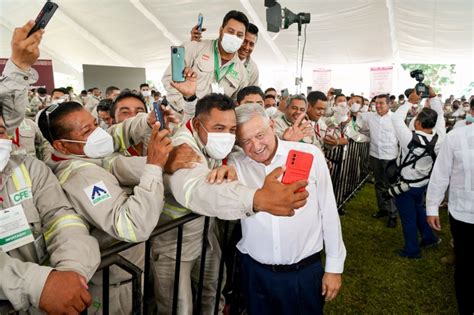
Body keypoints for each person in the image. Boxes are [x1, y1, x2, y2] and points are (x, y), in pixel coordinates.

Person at [153, 68, 310, 315]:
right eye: (218, 127)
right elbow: (195, 191)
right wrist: (256, 199)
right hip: (173, 241)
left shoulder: (215, 143)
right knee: (178, 307)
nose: (225, 136)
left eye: (230, 129)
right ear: (197, 125)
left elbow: (248, 148)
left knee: (213, 293)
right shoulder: (184, 149)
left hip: (205, 235)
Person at [0, 20, 101, 314]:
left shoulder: (28, 169)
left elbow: (62, 219)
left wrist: (71, 271)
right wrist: (37, 284)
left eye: (2, 131)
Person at [37, 101, 172, 314]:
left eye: (95, 124)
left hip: (127, 274)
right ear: (61, 145)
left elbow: (115, 133)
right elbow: (133, 226)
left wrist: (146, 121)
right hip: (114, 287)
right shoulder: (82, 176)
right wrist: (154, 166)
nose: (98, 133)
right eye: (87, 130)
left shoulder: (81, 152)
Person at [228, 104, 346, 315]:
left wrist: (334, 267)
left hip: (303, 274)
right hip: (256, 273)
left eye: (260, 135)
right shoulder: (235, 163)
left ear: (272, 126)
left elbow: (328, 212)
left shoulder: (309, 155)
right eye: (246, 141)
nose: (256, 146)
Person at [163, 10, 249, 122]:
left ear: (243, 40)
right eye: (230, 31)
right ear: (221, 31)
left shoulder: (242, 73)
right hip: (179, 117)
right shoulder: (196, 48)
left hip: (211, 127)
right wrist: (186, 108)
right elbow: (169, 78)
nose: (234, 37)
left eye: (239, 35)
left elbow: (236, 105)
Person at [390, 87, 445, 258]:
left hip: (406, 185)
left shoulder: (409, 139)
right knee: (419, 210)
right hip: (423, 183)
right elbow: (441, 116)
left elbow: (397, 119)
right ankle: (429, 238)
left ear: (419, 124)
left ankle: (412, 250)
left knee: (408, 218)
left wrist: (411, 101)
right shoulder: (440, 137)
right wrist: (434, 97)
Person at [426, 122, 474, 314]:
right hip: (463, 213)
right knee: (466, 266)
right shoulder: (457, 136)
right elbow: (441, 173)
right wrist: (432, 206)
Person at [358, 94, 399, 227]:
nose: (378, 105)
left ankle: (393, 214)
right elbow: (358, 119)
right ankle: (383, 209)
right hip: (375, 155)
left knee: (390, 186)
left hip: (390, 156)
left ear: (389, 104)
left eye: (381, 103)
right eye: (376, 103)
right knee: (379, 184)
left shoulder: (396, 118)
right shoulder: (370, 117)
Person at [191, 21, 259, 86]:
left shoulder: (253, 71)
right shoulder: (212, 50)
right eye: (244, 41)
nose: (246, 47)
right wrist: (193, 43)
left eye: (251, 44)